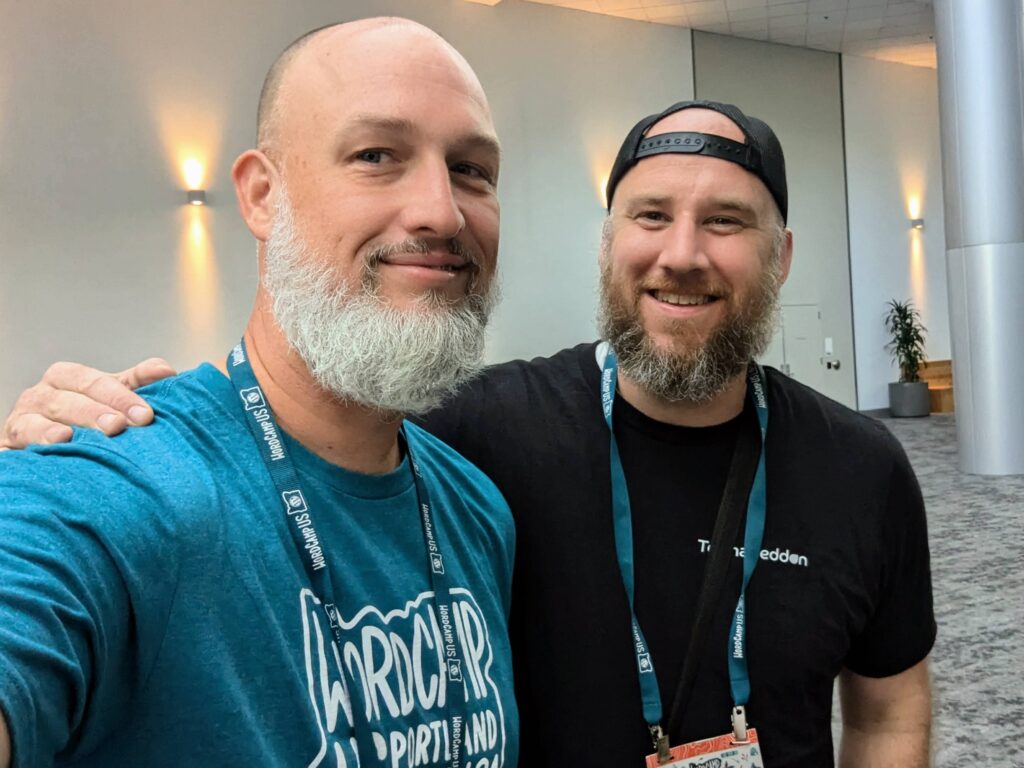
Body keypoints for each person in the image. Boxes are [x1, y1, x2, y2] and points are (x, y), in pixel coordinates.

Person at [3, 98, 936, 766]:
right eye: (650, 216)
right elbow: (291, 421)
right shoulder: (472, 433)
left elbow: (890, 709)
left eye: (725, 222)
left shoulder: (863, 467)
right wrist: (90, 427)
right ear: (610, 244)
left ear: (779, 256)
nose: (682, 253)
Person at [0, 18, 519, 768]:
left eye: (472, 169)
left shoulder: (477, 510)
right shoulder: (121, 483)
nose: (442, 212)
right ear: (261, 195)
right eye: (377, 155)